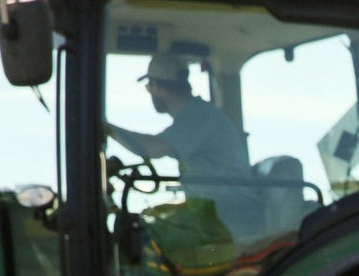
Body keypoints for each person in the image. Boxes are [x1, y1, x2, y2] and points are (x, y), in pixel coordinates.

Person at [105, 52, 259, 239]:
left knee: (143, 237)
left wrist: (106, 128)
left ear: (156, 87)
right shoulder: (196, 115)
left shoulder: (198, 117)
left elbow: (152, 148)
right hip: (216, 211)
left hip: (229, 214)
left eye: (148, 87)